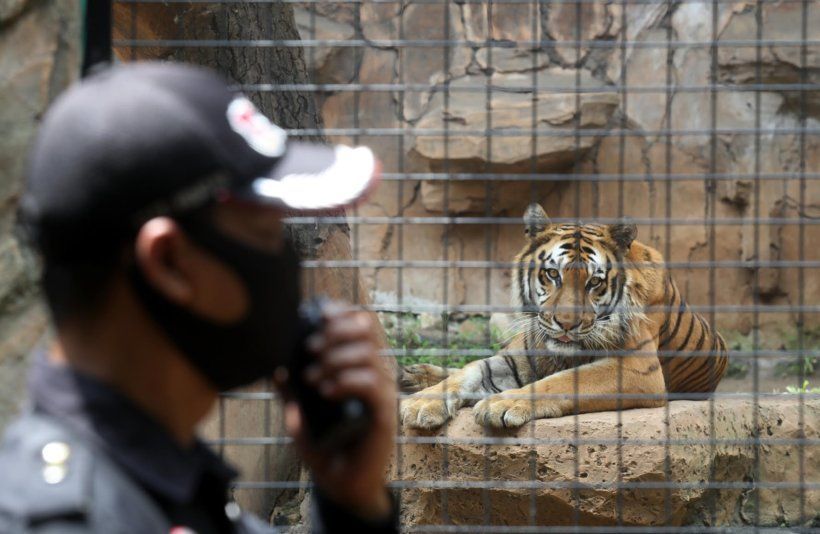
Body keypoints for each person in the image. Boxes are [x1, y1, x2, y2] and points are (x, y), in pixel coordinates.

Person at [0, 62, 398, 533]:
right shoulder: (62, 521)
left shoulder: (177, 497)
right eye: (266, 234)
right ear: (168, 261)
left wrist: (352, 505)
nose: (292, 268)